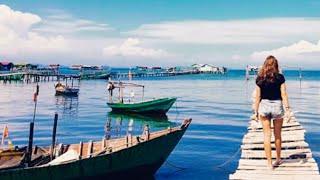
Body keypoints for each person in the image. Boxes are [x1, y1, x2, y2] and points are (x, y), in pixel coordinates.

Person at [253, 55, 290, 169]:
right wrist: (287, 109)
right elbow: (283, 94)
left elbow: (257, 96)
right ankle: (278, 159)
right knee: (277, 135)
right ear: (276, 65)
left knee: (266, 136)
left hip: (264, 106)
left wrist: (255, 112)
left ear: (265, 65)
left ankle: (269, 164)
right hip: (277, 106)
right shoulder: (280, 77)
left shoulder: (260, 78)